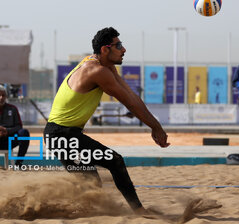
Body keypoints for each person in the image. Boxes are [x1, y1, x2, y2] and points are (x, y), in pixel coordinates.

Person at [43, 27, 169, 214]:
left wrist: (156, 126)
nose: (124, 49)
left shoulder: (101, 64)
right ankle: (139, 211)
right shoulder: (96, 70)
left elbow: (131, 95)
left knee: (92, 183)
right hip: (61, 134)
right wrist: (156, 127)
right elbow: (129, 103)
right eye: (118, 45)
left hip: (65, 133)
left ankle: (55, 209)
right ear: (104, 49)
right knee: (115, 161)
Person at [0, 85, 30, 166]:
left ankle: (18, 164)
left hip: (9, 140)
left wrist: (7, 131)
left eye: (3, 95)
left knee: (24, 133)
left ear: (6, 96)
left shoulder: (12, 109)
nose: (1, 97)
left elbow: (19, 126)